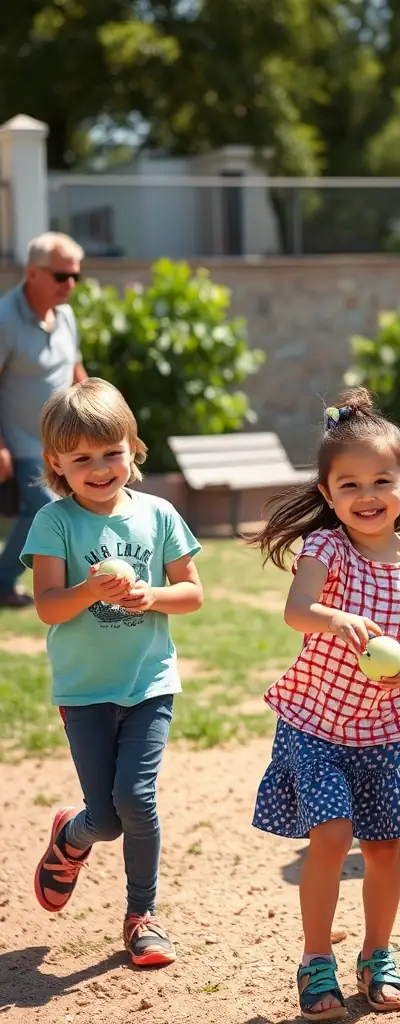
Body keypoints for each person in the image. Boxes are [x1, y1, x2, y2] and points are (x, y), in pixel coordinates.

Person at [251, 387, 400, 1020]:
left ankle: (378, 955)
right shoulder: (326, 551)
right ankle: (316, 961)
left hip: (386, 731)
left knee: (386, 848)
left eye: (381, 481)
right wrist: (334, 617)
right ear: (326, 495)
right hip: (315, 723)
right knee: (332, 837)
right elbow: (295, 611)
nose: (367, 496)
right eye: (349, 486)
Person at [23, 378, 203, 967]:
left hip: (149, 683)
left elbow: (192, 594)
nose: (100, 468)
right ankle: (71, 837)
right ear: (57, 463)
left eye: (112, 452)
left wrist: (151, 596)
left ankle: (141, 915)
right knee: (104, 818)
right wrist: (89, 588)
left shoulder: (160, 513)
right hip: (83, 689)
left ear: (133, 446)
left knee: (136, 797)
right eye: (82, 459)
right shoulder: (55, 522)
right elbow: (49, 605)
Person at [0, 231, 88, 607]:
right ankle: (4, 580)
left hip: (65, 443)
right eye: (60, 276)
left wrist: (103, 417)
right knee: (42, 509)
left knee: (77, 508)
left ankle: (79, 584)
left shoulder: (66, 316)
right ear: (32, 273)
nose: (69, 284)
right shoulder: (4, 319)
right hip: (22, 442)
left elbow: (76, 370)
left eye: (75, 277)